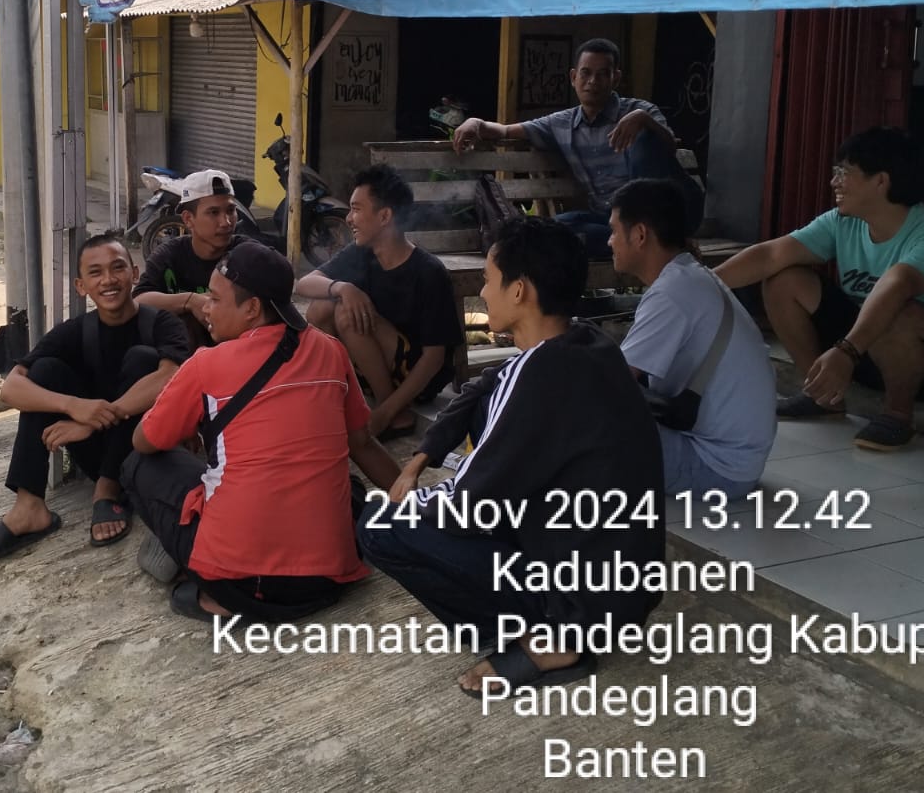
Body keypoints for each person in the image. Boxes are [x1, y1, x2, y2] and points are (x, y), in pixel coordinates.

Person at [363, 217, 664, 696]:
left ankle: (548, 642)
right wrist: (421, 458)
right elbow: (483, 387)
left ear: (519, 290)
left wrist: (407, 502)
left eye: (488, 280)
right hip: (627, 590)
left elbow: (463, 507)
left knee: (379, 527)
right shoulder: (587, 343)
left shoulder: (539, 375)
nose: (483, 293)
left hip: (583, 604)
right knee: (484, 413)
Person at [123, 241, 401, 622]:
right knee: (347, 489)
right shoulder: (331, 350)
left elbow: (144, 440)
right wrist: (419, 507)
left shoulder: (205, 365)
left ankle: (212, 593)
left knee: (139, 465)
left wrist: (182, 417)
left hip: (241, 585)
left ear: (252, 309)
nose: (205, 308)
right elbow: (363, 444)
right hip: (326, 580)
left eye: (215, 299)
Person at [716, 127, 924, 451]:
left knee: (896, 308)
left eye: (844, 173)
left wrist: (846, 352)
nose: (834, 182)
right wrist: (701, 282)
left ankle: (898, 415)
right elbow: (772, 255)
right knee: (783, 281)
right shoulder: (843, 222)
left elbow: (896, 285)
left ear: (881, 181)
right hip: (867, 348)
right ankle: (822, 395)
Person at [0, 232, 190, 562]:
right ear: (81, 286)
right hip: (96, 451)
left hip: (144, 450)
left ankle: (107, 490)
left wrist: (94, 420)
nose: (108, 280)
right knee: (44, 370)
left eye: (117, 268)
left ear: (134, 274)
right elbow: (11, 388)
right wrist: (74, 407)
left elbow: (173, 377)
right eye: (95, 273)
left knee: (143, 358)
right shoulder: (75, 331)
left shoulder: (162, 324)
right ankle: (29, 505)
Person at [451, 38, 702, 257]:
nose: (593, 81)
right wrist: (476, 123)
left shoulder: (639, 110)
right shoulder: (561, 123)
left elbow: (669, 148)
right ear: (573, 77)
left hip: (671, 215)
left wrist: (643, 120)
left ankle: (664, 238)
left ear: (615, 78)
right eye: (586, 73)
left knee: (645, 140)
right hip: (612, 221)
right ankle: (642, 243)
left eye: (603, 74)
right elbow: (506, 131)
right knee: (556, 229)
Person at [608, 179, 775, 497]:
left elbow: (611, 381)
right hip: (738, 459)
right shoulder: (688, 277)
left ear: (640, 235)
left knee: (581, 421)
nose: (609, 241)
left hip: (717, 467)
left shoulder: (672, 292)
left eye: (614, 231)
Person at [296, 164, 461, 439]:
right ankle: (336, 394)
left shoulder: (428, 272)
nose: (349, 218)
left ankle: (393, 413)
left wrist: (385, 411)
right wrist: (344, 287)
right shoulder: (361, 252)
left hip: (417, 380)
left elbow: (434, 358)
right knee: (322, 307)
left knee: (345, 314)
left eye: (356, 209)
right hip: (375, 366)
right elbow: (304, 284)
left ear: (384, 216)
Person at [134, 169, 244, 351]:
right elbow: (139, 300)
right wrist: (190, 301)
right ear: (188, 219)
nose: (226, 222)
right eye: (213, 212)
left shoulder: (247, 254)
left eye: (230, 210)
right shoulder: (169, 255)